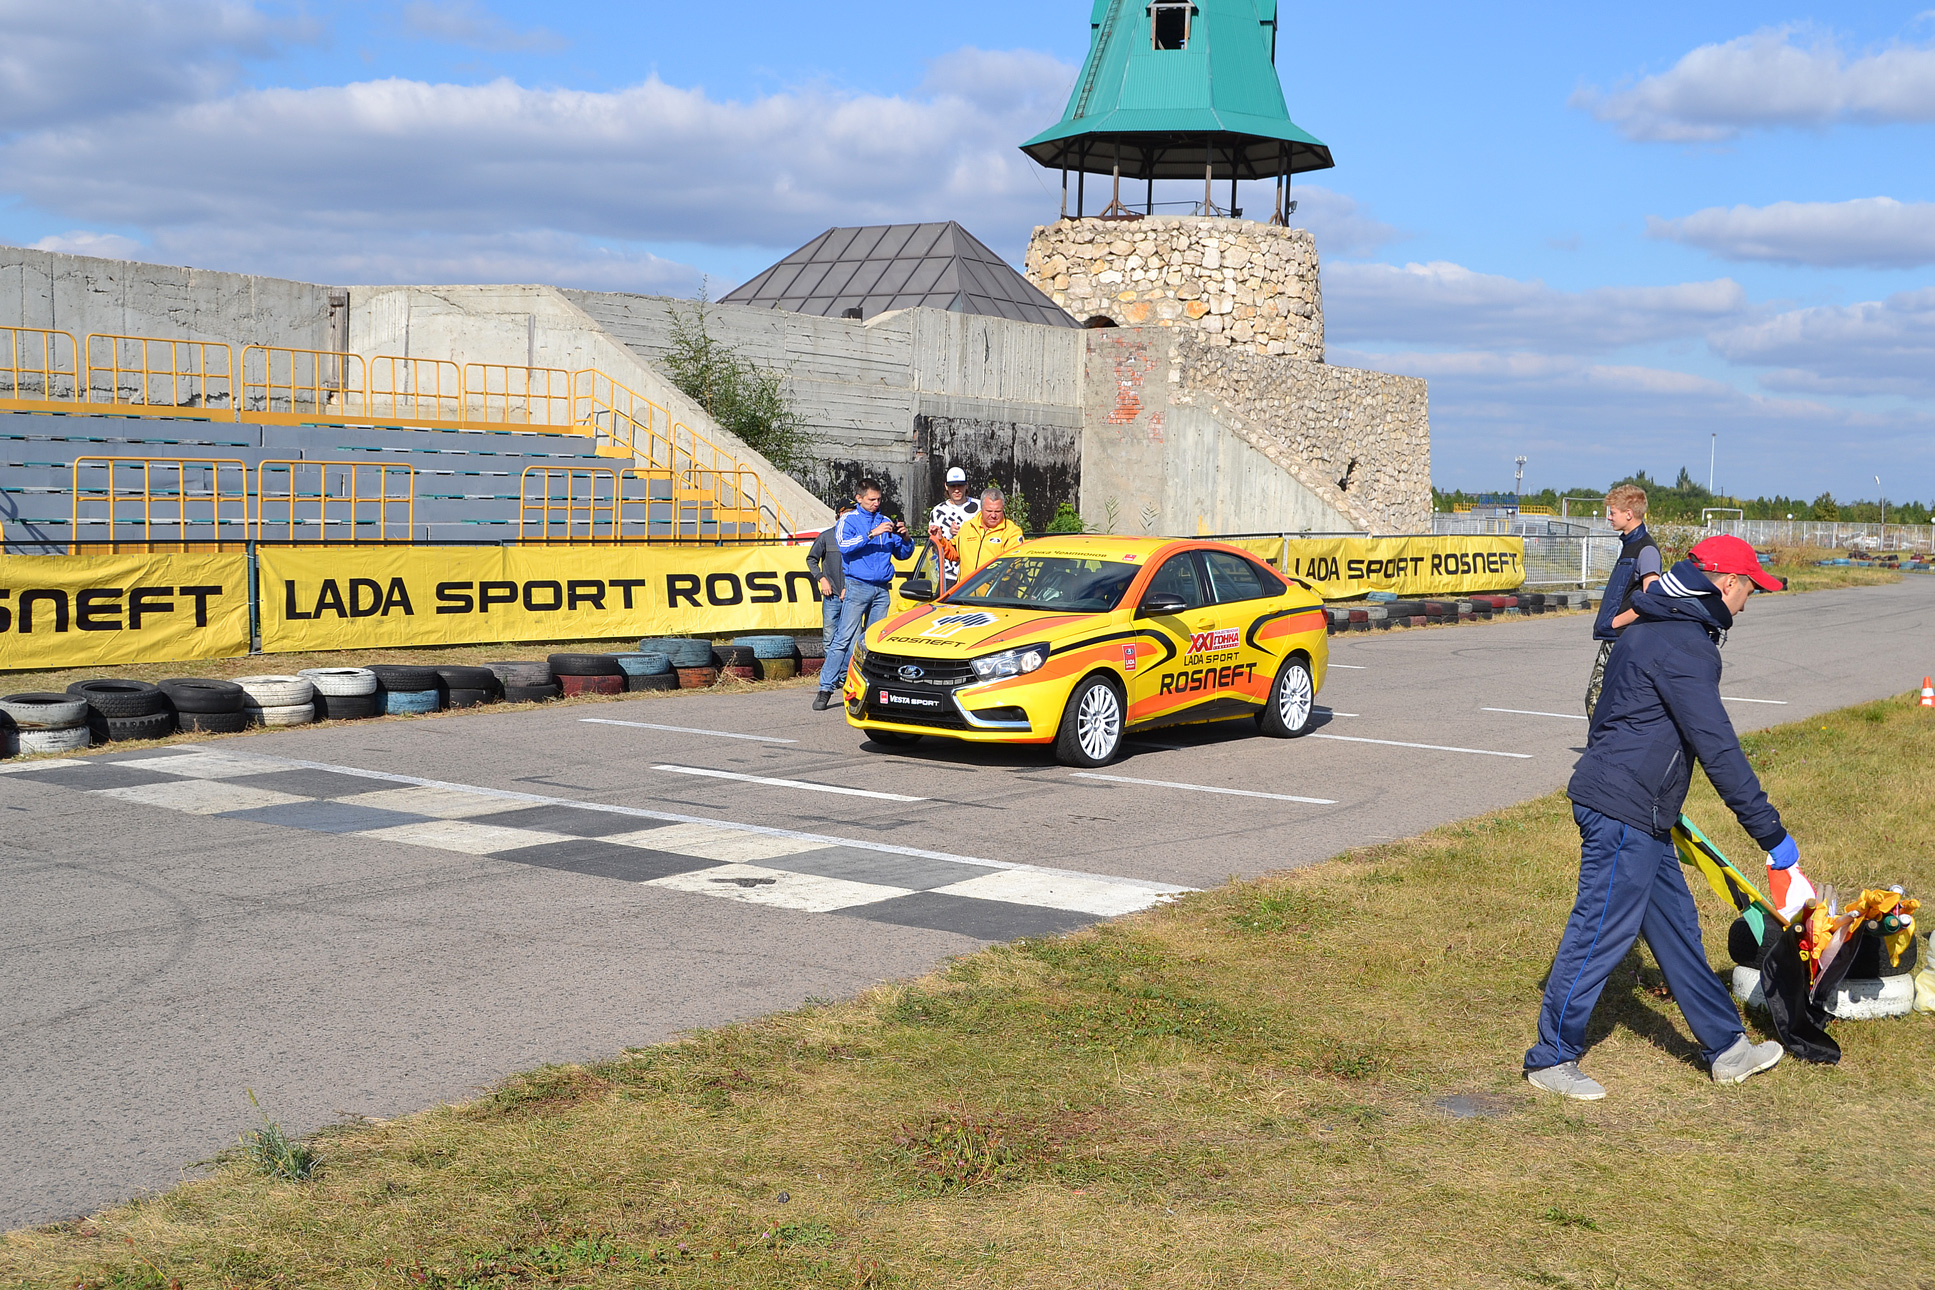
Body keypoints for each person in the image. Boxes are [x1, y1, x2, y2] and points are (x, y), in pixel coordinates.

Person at [1525, 533, 1792, 1100]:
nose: (1748, 603)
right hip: (1623, 810)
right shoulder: (1686, 645)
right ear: (1728, 583)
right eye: (1750, 590)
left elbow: (1605, 714)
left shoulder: (1651, 624)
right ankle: (1551, 1057)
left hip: (1640, 808)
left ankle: (1727, 1048)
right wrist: (1770, 833)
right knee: (1601, 929)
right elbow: (1717, 747)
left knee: (1675, 929)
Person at [814, 481, 911, 711]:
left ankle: (870, 687)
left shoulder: (885, 520)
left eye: (878, 499)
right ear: (859, 498)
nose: (876, 503)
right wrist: (871, 534)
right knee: (843, 638)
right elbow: (844, 546)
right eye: (871, 499)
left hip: (882, 589)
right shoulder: (848, 519)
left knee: (874, 641)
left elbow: (903, 554)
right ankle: (825, 688)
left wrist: (906, 538)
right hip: (857, 586)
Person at [1586, 484, 1661, 718]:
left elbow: (1652, 599)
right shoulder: (1629, 546)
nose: (1609, 517)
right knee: (1599, 701)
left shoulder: (1646, 550)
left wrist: (1616, 622)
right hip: (1614, 637)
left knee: (1598, 701)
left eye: (1613, 512)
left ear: (1629, 513)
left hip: (1626, 638)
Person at [931, 487, 1025, 582]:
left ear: (1003, 509)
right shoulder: (968, 527)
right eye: (989, 511)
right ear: (981, 509)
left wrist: (989, 578)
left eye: (998, 511)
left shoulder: (1012, 532)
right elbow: (953, 552)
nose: (993, 515)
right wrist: (940, 540)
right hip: (966, 590)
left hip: (995, 590)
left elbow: (1014, 565)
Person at [805, 503, 853, 658]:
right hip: (831, 596)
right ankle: (831, 670)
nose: (851, 516)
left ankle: (848, 671)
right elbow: (811, 559)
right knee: (829, 638)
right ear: (839, 515)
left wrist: (848, 586)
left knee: (852, 639)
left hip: (853, 596)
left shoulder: (858, 537)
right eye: (847, 512)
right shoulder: (826, 537)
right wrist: (821, 578)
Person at [927, 467, 981, 591]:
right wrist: (950, 534)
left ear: (966, 486)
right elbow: (934, 546)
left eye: (960, 485)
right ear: (946, 486)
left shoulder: (979, 507)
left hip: (975, 573)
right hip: (947, 574)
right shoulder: (938, 511)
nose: (956, 490)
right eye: (953, 486)